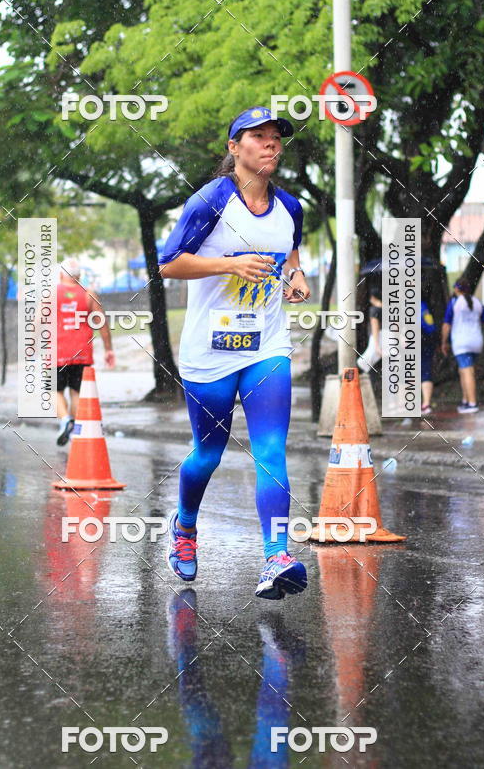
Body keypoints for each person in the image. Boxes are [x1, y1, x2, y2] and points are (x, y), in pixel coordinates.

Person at [159, 106, 311, 600]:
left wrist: (295, 275)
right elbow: (169, 265)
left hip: (267, 345)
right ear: (234, 148)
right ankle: (184, 528)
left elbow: (289, 252)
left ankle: (276, 556)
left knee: (271, 451)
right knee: (209, 454)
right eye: (259, 137)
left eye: (276, 138)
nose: (271, 144)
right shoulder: (210, 201)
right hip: (210, 350)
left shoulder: (291, 206)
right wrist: (227, 264)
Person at [56, 259, 115, 444]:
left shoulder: (50, 294)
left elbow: (39, 321)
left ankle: (65, 420)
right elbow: (102, 323)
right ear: (79, 276)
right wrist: (108, 349)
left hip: (57, 352)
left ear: (61, 275)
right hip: (81, 352)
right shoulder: (89, 294)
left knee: (53, 390)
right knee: (76, 391)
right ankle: (73, 428)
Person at [441, 279, 484, 414]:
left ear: (457, 289)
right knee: (464, 371)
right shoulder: (477, 302)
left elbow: (447, 325)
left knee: (467, 371)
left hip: (461, 341)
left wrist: (444, 342)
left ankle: (472, 403)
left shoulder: (454, 302)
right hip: (476, 340)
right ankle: (465, 400)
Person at [420, 298, 437, 414]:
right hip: (426, 339)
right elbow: (430, 325)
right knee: (426, 371)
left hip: (413, 339)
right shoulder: (423, 305)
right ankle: (426, 404)